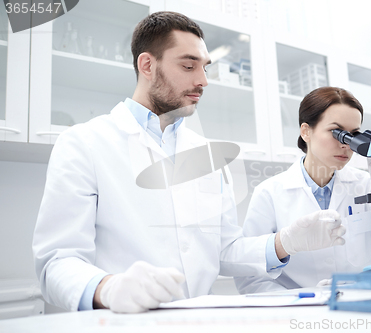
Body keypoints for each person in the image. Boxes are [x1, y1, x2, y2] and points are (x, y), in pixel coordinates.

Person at [32, 12, 346, 314]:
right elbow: (56, 263)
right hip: (118, 322)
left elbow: (223, 251)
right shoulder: (84, 143)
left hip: (195, 320)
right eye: (188, 66)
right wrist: (108, 288)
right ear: (147, 65)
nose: (203, 81)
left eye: (205, 67)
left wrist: (283, 242)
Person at [235, 87, 371, 294]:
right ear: (306, 131)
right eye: (337, 133)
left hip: (361, 303)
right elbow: (250, 276)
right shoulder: (269, 193)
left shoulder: (369, 185)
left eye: (354, 135)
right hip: (298, 313)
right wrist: (302, 302)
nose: (346, 145)